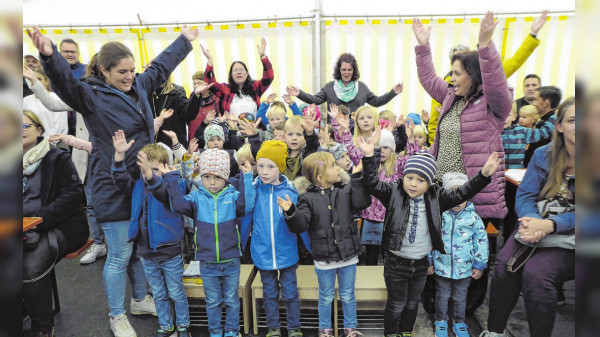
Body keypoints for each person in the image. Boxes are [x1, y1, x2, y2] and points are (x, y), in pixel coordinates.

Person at [28, 24, 199, 337]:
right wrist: (49, 55)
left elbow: (160, 66)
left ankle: (138, 299)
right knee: (120, 253)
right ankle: (116, 316)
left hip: (143, 181)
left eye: (132, 70)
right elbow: (64, 84)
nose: (129, 76)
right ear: (103, 70)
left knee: (138, 246)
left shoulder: (139, 86)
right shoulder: (89, 94)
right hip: (112, 181)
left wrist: (183, 40)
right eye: (122, 71)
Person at [413, 12, 513, 315]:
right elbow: (429, 79)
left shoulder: (493, 103)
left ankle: (466, 311)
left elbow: (495, 81)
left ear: (473, 74)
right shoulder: (450, 98)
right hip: (442, 190)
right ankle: (435, 306)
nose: (451, 78)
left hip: (475, 193)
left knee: (471, 252)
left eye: (457, 73)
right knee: (436, 246)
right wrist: (423, 46)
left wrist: (485, 46)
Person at [356, 133, 500, 337]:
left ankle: (405, 331)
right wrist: (370, 156)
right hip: (396, 262)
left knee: (413, 303)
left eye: (420, 180)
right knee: (396, 303)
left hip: (421, 263)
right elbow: (371, 183)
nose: (413, 184)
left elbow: (462, 193)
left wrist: (483, 176)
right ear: (403, 177)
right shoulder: (393, 192)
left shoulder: (438, 197)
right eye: (410, 178)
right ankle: (390, 333)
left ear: (430, 183)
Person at [480, 97, 575, 337]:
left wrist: (551, 225)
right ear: (560, 126)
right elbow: (525, 195)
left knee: (537, 273)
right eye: (574, 120)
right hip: (538, 223)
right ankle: (494, 331)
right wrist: (532, 220)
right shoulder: (544, 154)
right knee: (504, 266)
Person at [163, 149, 255, 337]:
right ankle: (214, 331)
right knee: (212, 301)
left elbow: (246, 206)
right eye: (206, 177)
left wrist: (247, 177)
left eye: (217, 177)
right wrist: (172, 179)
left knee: (231, 300)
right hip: (207, 262)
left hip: (231, 261)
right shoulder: (197, 198)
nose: (212, 182)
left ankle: (231, 330)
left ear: (226, 177)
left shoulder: (232, 195)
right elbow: (179, 205)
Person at [280, 151, 371, 337]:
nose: (338, 168)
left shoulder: (345, 190)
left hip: (348, 255)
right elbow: (300, 224)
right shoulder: (307, 198)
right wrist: (291, 212)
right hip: (324, 258)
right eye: (333, 165)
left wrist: (357, 177)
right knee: (326, 296)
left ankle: (351, 329)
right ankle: (324, 330)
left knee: (348, 295)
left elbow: (362, 202)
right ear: (320, 177)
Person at [110, 132, 190, 337]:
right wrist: (119, 157)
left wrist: (151, 175)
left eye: (155, 169)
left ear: (166, 168)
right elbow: (120, 180)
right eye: (145, 169)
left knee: (176, 292)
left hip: (170, 251)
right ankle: (166, 325)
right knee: (159, 294)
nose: (148, 174)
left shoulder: (172, 186)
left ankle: (183, 326)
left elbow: (162, 194)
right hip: (147, 252)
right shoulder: (138, 186)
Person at [426, 10, 548, 144]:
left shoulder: (485, 78)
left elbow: (514, 62)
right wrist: (435, 149)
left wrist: (532, 35)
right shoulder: (447, 85)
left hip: (480, 146)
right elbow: (434, 122)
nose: (459, 63)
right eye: (456, 60)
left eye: (464, 60)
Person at [23, 110, 89, 337]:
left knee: (31, 262)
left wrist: (37, 221)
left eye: (25, 127)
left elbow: (72, 197)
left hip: (57, 224)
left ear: (39, 129)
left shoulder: (57, 157)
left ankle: (43, 327)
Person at [248, 140, 308, 337]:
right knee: (269, 294)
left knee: (291, 293)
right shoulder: (253, 190)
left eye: (271, 166)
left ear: (280, 167)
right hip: (263, 253)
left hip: (287, 253)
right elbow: (245, 214)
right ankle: (273, 328)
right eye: (261, 165)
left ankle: (294, 328)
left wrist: (311, 248)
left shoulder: (290, 192)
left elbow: (299, 223)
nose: (264, 171)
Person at [432, 173, 488, 337]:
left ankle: (459, 322)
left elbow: (482, 241)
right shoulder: (440, 216)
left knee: (460, 298)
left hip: (464, 269)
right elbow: (431, 237)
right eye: (452, 195)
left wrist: (479, 264)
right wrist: (429, 260)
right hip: (441, 266)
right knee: (441, 296)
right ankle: (440, 321)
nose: (457, 201)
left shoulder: (473, 218)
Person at [360, 128, 420, 266]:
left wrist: (411, 140)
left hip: (388, 218)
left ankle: (387, 278)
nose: (382, 151)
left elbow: (413, 158)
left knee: (387, 252)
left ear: (392, 149)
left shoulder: (398, 164)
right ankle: (371, 278)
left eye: (386, 147)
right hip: (369, 216)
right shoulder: (371, 165)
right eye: (379, 147)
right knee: (371, 253)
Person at [286, 52, 403, 113]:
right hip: (334, 134)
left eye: (349, 70)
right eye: (343, 70)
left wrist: (393, 92)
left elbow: (376, 102)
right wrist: (299, 93)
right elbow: (315, 100)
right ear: (339, 70)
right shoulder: (330, 87)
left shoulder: (361, 87)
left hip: (356, 134)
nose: (346, 73)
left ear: (354, 70)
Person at [200, 38, 273, 117]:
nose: (238, 72)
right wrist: (210, 60)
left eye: (241, 70)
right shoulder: (224, 89)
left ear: (247, 74)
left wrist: (263, 56)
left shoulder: (255, 87)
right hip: (232, 128)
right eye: (235, 71)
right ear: (231, 75)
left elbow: (269, 77)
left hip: (253, 128)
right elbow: (210, 83)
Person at [22, 66, 68, 139]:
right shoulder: (25, 100)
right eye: (31, 79)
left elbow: (60, 126)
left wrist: (48, 142)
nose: (36, 82)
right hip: (32, 143)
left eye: (39, 79)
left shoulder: (57, 98)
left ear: (46, 81)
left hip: (54, 143)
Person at [523, 85, 562, 167]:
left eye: (536, 100)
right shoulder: (551, 121)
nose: (533, 104)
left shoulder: (547, 124)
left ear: (546, 103)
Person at [187, 70, 220, 141]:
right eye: (194, 83)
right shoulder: (190, 101)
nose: (196, 86)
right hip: (194, 142)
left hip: (212, 141)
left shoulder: (217, 100)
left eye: (199, 83)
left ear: (207, 84)